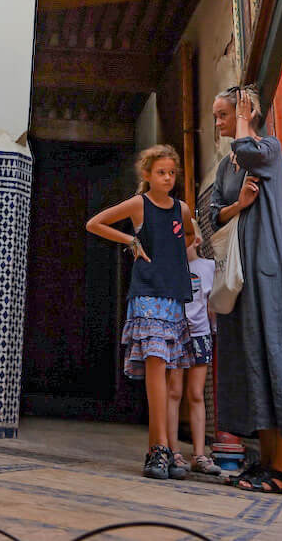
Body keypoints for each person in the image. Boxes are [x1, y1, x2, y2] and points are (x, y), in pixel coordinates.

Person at [211, 85, 282, 494]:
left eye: (223, 114)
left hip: (266, 271)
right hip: (239, 277)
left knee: (276, 358)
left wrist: (243, 118)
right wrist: (238, 204)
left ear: (246, 110)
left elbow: (248, 147)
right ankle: (266, 464)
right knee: (251, 364)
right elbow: (214, 215)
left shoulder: (267, 149)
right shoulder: (225, 167)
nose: (217, 122)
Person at [86, 144, 195, 480]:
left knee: (170, 374)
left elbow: (189, 236)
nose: (167, 178)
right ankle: (158, 448)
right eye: (161, 172)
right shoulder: (139, 204)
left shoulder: (183, 208)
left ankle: (164, 450)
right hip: (147, 295)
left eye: (172, 173)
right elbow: (95, 223)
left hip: (174, 296)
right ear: (147, 175)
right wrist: (130, 241)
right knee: (156, 366)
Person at [167, 221, 222, 477]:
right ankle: (173, 451)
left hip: (200, 336)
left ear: (197, 241)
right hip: (176, 336)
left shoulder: (208, 268)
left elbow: (213, 303)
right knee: (174, 391)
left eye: (185, 236)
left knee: (196, 394)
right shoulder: (170, 268)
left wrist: (213, 331)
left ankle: (200, 454)